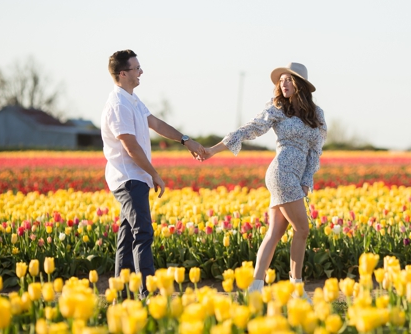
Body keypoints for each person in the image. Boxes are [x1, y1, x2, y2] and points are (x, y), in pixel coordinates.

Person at [202, 62, 327, 293]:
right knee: (302, 230)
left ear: (300, 84)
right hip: (281, 172)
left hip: (295, 175)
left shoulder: (316, 114)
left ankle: (255, 289)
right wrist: (213, 149)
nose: (283, 84)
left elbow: (314, 151)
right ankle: (297, 290)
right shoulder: (278, 108)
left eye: (289, 79)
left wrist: (306, 181)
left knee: (275, 232)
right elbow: (250, 128)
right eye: (281, 80)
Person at [101, 49, 207, 298]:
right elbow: (131, 147)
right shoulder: (118, 105)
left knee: (128, 237)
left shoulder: (132, 100)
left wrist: (185, 140)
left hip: (135, 177)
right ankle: (148, 293)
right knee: (143, 233)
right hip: (129, 178)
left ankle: (122, 294)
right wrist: (155, 174)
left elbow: (156, 124)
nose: (141, 72)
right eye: (136, 68)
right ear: (123, 73)